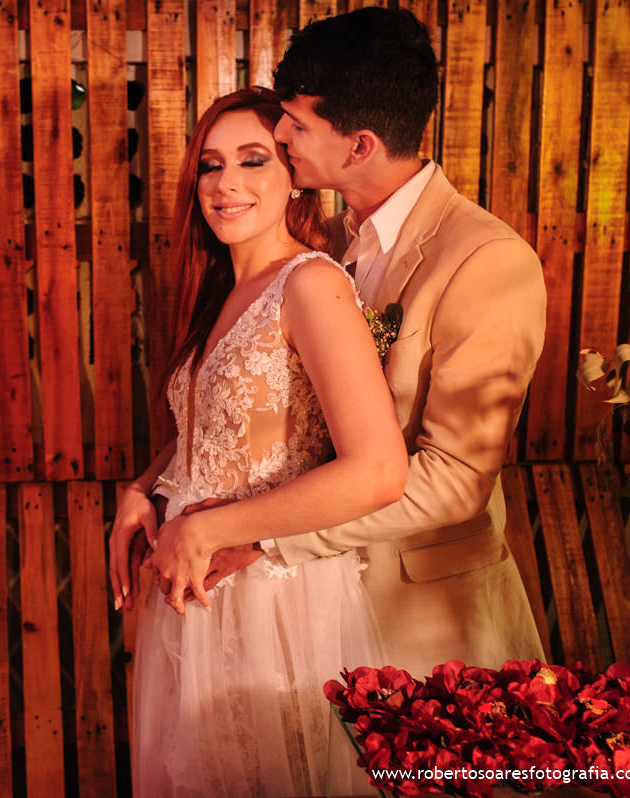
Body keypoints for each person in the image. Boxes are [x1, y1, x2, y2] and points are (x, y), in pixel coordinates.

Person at [188, 7, 548, 679]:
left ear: (358, 147)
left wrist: (267, 535)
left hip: (426, 620)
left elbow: (455, 481)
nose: (282, 131)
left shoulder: (486, 261)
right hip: (310, 613)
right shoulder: (318, 248)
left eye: (296, 121)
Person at [108, 87, 408, 797]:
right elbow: (205, 435)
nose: (226, 184)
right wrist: (142, 489)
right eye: (210, 166)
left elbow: (378, 470)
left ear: (292, 176)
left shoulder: (310, 284)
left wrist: (210, 528)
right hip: (193, 596)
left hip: (273, 602)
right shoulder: (219, 289)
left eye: (252, 160)